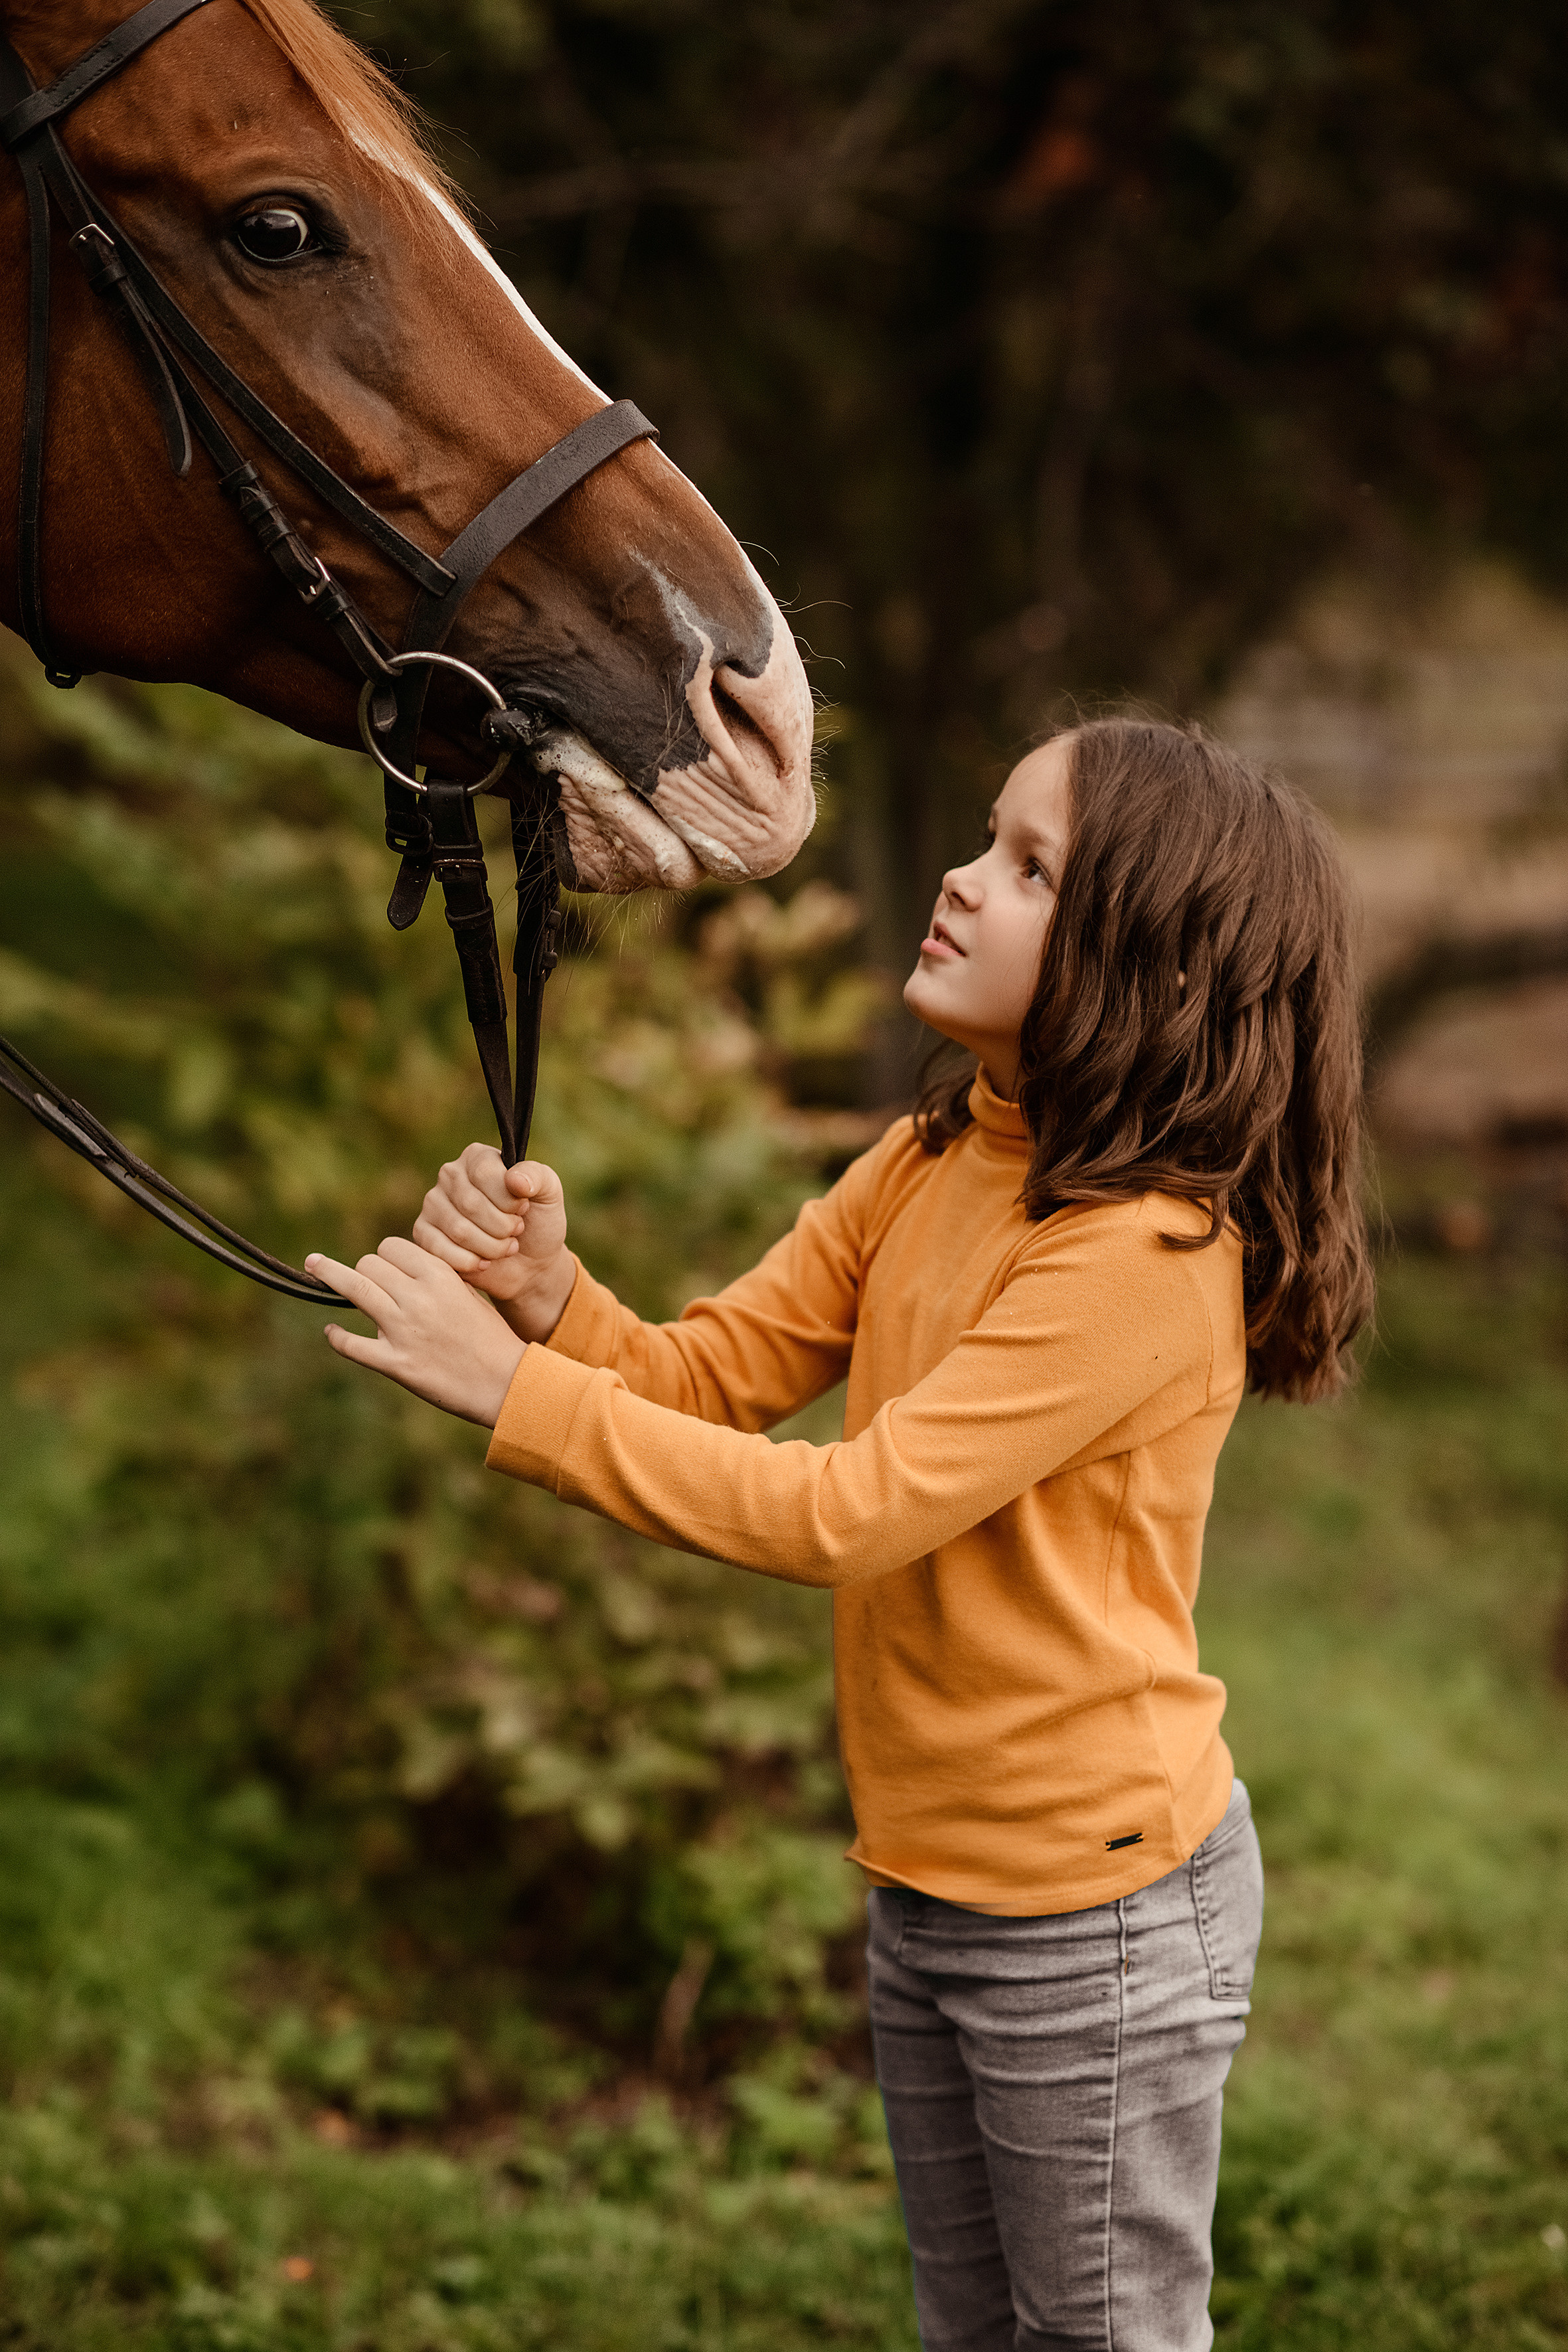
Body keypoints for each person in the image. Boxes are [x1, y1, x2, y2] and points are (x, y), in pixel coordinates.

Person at [307, 716, 1373, 2352]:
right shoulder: (935, 1152)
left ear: (1147, 968)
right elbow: (708, 1377)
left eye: (1029, 868)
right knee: (973, 2330)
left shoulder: (1144, 1256)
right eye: (985, 835)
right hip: (927, 1883)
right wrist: (553, 1303)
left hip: (1086, 1917)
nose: (958, 880)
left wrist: (512, 1391)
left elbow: (846, 1508)